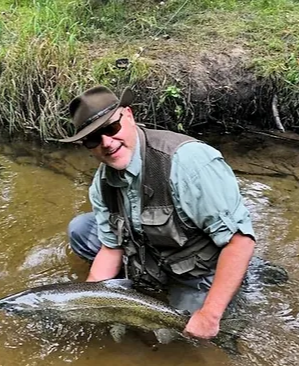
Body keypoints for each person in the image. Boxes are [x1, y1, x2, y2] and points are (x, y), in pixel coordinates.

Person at [59, 85, 256, 340]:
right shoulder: (102, 182)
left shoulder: (187, 162)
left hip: (199, 269)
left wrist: (209, 315)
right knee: (82, 229)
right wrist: (88, 299)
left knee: (172, 337)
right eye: (93, 138)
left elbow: (240, 241)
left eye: (111, 128)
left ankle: (238, 282)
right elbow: (111, 247)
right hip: (154, 255)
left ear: (128, 115)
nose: (106, 143)